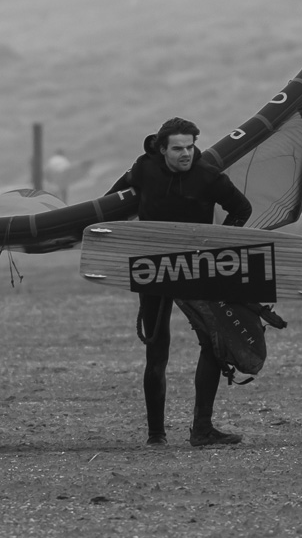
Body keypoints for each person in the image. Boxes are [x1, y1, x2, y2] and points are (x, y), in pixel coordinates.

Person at [107, 117, 252, 447]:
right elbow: (112, 200)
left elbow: (242, 208)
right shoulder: (145, 169)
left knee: (213, 345)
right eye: (178, 148)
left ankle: (202, 429)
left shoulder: (208, 176)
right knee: (157, 351)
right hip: (153, 268)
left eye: (190, 147)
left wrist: (215, 245)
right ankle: (156, 435)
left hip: (194, 268)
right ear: (162, 149)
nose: (186, 153)